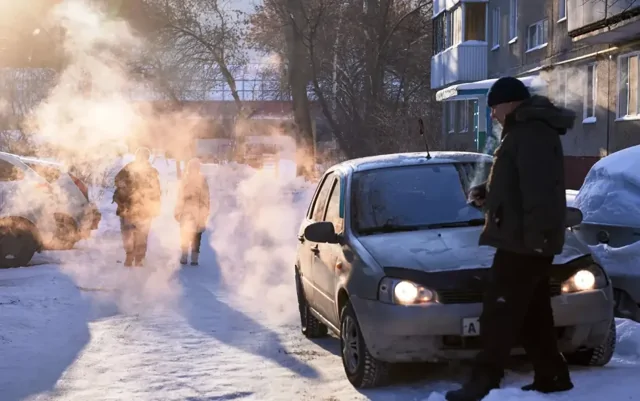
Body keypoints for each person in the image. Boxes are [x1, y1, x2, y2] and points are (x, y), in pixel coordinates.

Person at [446, 77, 576, 401]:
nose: (492, 115)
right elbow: (519, 189)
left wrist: (536, 241)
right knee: (533, 312)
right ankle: (553, 375)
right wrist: (488, 196)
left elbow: (541, 194)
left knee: (499, 312)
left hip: (525, 243)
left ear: (510, 103)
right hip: (526, 240)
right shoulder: (524, 131)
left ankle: (483, 381)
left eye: (494, 107)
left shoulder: (530, 133)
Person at [113, 147, 161, 267]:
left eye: (143, 157)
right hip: (129, 207)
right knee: (131, 233)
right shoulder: (130, 169)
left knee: (138, 233)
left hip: (141, 208)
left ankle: (137, 258)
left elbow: (156, 191)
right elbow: (118, 181)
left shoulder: (149, 172)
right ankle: (132, 257)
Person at [174, 158, 210, 266]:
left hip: (198, 211)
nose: (193, 169)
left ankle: (194, 257)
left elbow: (206, 197)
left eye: (195, 167)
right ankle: (184, 255)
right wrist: (178, 210)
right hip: (186, 211)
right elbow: (180, 196)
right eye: (192, 167)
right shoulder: (185, 179)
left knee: (196, 235)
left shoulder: (202, 180)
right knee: (184, 234)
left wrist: (205, 211)